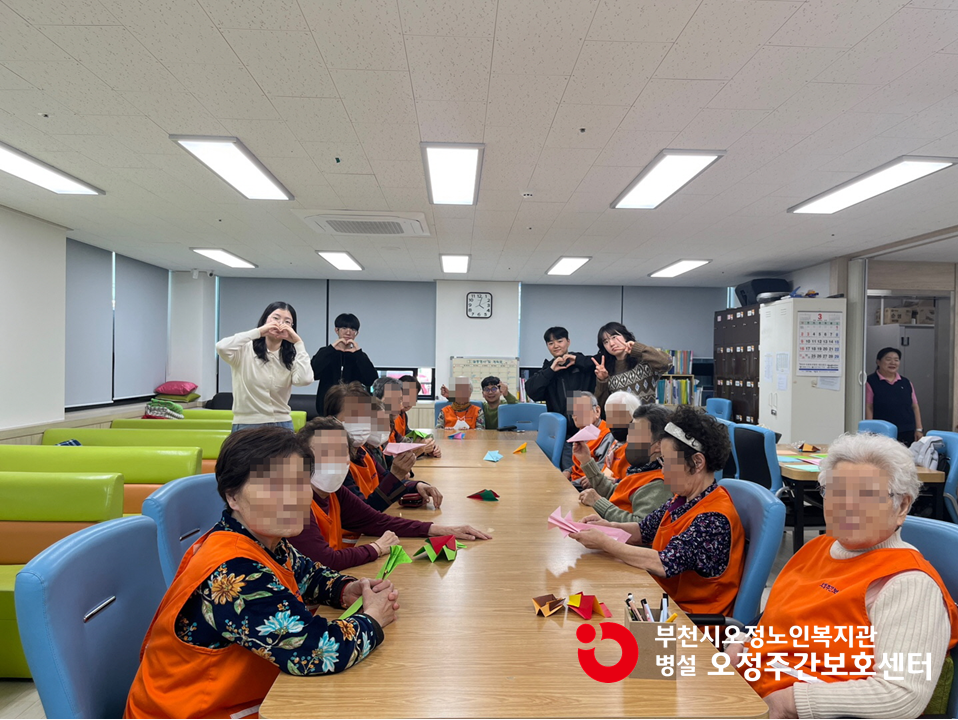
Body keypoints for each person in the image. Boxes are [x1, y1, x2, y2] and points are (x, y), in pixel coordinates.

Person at [125, 427, 399, 718]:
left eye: (299, 482)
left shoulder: (263, 541)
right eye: (273, 486)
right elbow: (317, 652)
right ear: (232, 497)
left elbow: (310, 576)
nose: (292, 498)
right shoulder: (233, 573)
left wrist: (346, 589)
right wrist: (373, 617)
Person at [726, 433, 958, 719]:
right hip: (744, 692)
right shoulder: (819, 547)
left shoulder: (909, 585)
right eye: (836, 491)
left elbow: (901, 694)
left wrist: (790, 702)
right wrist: (742, 642)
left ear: (902, 506)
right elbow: (778, 617)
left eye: (866, 495)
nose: (847, 505)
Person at [570, 405, 745, 617]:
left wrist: (605, 542)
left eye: (668, 461)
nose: (663, 470)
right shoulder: (683, 499)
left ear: (697, 462)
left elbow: (663, 562)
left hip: (689, 620)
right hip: (663, 602)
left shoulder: (713, 519)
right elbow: (642, 530)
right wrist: (608, 527)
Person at [290, 417, 491, 571]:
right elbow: (324, 561)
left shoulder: (335, 492)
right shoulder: (294, 501)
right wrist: (376, 548)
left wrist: (439, 529)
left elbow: (376, 521)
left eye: (341, 451)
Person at [325, 382, 441, 513]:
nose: (361, 424)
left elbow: (385, 478)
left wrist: (417, 486)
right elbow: (363, 512)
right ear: (332, 420)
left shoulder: (363, 451)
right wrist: (396, 474)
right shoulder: (332, 462)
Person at [215, 302, 314, 432]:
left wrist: (298, 343)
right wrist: (259, 332)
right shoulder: (244, 349)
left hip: (282, 424)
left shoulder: (291, 356)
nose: (280, 324)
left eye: (287, 322)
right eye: (276, 318)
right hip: (247, 424)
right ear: (265, 319)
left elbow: (305, 380)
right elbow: (221, 347)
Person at [578, 403, 672, 525]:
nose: (628, 438)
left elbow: (640, 526)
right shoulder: (641, 469)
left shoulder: (659, 484)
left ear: (659, 444)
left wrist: (598, 502)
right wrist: (586, 460)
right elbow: (616, 493)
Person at [525, 326, 597, 470]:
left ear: (568, 342)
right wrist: (551, 371)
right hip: (564, 435)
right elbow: (532, 392)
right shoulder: (548, 369)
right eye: (551, 343)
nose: (556, 346)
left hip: (588, 431)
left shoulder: (582, 365)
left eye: (559, 341)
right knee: (568, 474)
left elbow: (601, 361)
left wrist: (578, 360)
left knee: (590, 471)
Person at [310, 313, 378, 415]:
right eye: (344, 328)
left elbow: (371, 380)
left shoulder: (359, 356)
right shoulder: (326, 352)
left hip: (353, 409)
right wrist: (331, 349)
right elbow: (312, 374)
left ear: (356, 333)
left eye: (353, 329)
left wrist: (359, 354)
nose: (348, 332)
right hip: (327, 407)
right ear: (336, 330)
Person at [593, 321, 671, 407]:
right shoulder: (606, 370)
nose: (611, 344)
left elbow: (667, 363)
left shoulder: (644, 361)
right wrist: (602, 381)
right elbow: (600, 405)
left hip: (646, 415)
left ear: (625, 336)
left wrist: (638, 349)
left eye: (614, 337)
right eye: (606, 342)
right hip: (620, 415)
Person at [865, 347, 924, 446]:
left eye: (896, 360)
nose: (893, 363)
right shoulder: (870, 381)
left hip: (907, 430)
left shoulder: (906, 382)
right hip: (882, 432)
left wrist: (919, 429)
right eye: (888, 359)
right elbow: (868, 407)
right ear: (878, 362)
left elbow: (915, 406)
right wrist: (870, 430)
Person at [564, 391, 613, 488]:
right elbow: (578, 465)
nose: (576, 416)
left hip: (587, 487)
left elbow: (599, 474)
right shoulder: (583, 432)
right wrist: (567, 471)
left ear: (597, 411)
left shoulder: (607, 435)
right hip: (574, 482)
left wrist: (568, 485)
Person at [441, 376, 518, 429]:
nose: (490, 392)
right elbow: (463, 403)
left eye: (494, 389)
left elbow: (518, 407)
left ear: (500, 391)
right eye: (487, 389)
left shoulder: (506, 406)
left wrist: (507, 394)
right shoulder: (482, 407)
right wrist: (451, 396)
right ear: (483, 394)